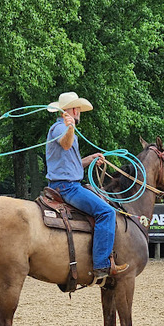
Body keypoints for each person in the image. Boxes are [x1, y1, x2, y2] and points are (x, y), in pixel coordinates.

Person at [46, 91, 128, 280]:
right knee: (107, 212)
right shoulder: (61, 128)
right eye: (79, 110)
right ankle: (101, 264)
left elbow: (69, 163)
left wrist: (89, 159)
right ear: (74, 110)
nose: (80, 113)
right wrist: (70, 128)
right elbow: (66, 144)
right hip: (67, 187)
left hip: (64, 184)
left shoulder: (63, 128)